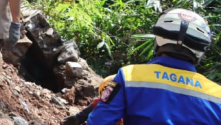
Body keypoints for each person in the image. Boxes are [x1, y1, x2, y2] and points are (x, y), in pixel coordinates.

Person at [87, 8, 221, 125]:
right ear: (200, 50)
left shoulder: (129, 76)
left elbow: (98, 121)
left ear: (158, 41)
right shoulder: (217, 95)